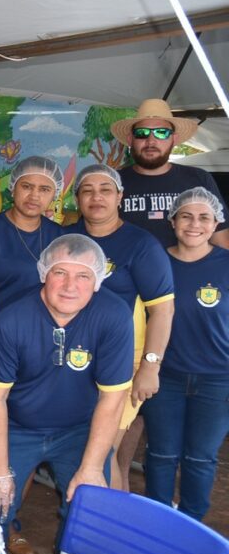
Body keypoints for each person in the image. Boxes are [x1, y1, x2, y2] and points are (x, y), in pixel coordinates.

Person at [0, 235, 133, 541]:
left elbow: (112, 400)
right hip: (16, 427)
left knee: (90, 516)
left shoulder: (114, 316)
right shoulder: (10, 317)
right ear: (44, 273)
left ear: (98, 281)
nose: (70, 286)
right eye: (60, 272)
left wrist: (92, 467)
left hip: (79, 428)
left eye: (83, 275)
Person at [0, 155, 63, 554]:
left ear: (54, 195)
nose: (34, 195)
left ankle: (10, 518)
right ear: (12, 188)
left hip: (43, 360)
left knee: (24, 445)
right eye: (27, 186)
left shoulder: (59, 237)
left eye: (44, 189)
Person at [67, 164, 174, 492]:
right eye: (87, 190)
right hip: (75, 361)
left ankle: (111, 534)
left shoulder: (141, 244)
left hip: (123, 364)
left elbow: (163, 310)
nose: (96, 197)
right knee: (85, 449)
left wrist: (150, 366)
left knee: (101, 451)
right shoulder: (68, 239)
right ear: (77, 198)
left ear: (120, 198)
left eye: (105, 190)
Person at [141, 187, 229, 522]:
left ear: (215, 222)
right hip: (166, 375)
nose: (195, 224)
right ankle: (159, 521)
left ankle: (192, 522)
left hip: (218, 379)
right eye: (187, 216)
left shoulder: (225, 264)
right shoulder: (154, 261)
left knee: (201, 457)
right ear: (173, 220)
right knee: (161, 454)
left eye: (204, 217)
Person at [113, 98, 229, 249]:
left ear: (174, 139)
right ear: (130, 139)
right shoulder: (112, 182)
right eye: (142, 133)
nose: (151, 141)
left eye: (162, 133)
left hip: (186, 271)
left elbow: (221, 239)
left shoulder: (199, 178)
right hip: (127, 271)